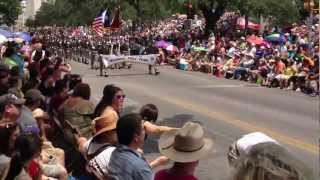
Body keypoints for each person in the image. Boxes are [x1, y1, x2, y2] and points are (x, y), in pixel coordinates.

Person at [108, 113, 152, 180]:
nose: (145, 131)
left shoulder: (115, 153)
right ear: (136, 137)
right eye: (143, 128)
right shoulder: (140, 166)